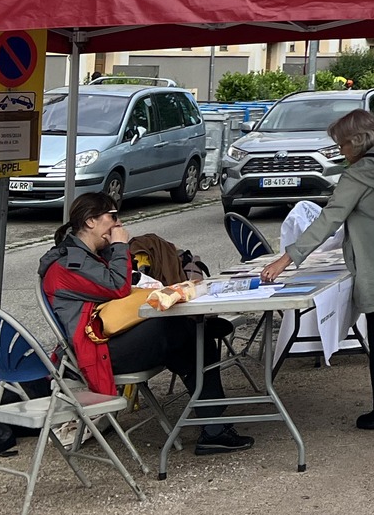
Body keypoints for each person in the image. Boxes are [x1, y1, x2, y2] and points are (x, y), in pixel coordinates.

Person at [37, 192, 251, 454]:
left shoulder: (87, 256)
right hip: (99, 352)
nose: (118, 225)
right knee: (183, 327)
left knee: (191, 330)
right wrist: (119, 246)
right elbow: (118, 286)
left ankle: (215, 427)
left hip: (110, 340)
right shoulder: (68, 264)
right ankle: (214, 426)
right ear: (91, 221)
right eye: (112, 217)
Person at [260, 109, 374, 429]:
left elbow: (328, 221)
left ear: (357, 142)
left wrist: (287, 258)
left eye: (341, 145)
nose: (340, 152)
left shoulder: (357, 176)